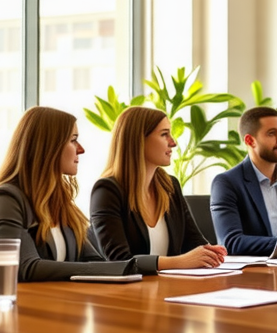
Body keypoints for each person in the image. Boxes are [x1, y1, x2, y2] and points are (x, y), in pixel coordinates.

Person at [0, 107, 137, 281]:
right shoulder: (6, 199)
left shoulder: (60, 201)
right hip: (26, 306)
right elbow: (25, 267)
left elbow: (94, 261)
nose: (81, 150)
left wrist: (144, 266)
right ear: (48, 147)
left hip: (65, 303)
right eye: (73, 140)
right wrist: (112, 268)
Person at [90, 106, 227, 272]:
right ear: (138, 140)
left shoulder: (170, 186)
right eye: (164, 134)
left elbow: (194, 242)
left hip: (169, 287)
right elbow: (119, 261)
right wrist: (180, 262)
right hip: (129, 293)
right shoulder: (107, 191)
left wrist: (211, 252)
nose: (173, 142)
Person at [210, 106, 277, 256]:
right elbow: (231, 242)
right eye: (272, 133)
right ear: (250, 140)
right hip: (253, 274)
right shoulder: (226, 183)